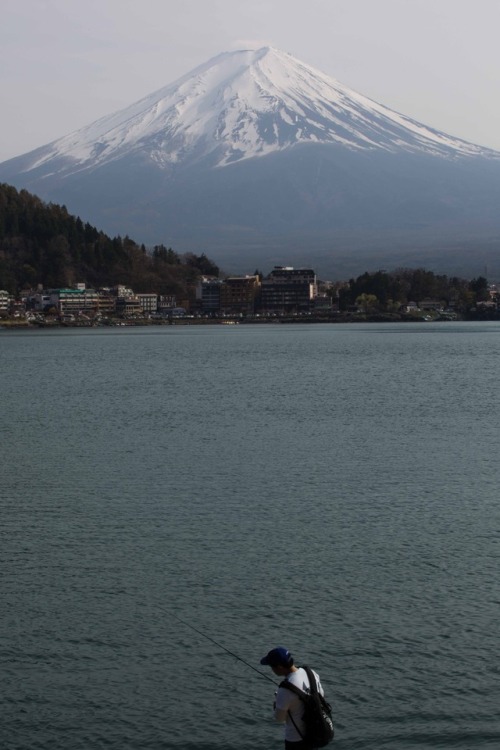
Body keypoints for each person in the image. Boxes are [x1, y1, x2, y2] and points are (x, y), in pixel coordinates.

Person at [260, 646, 324, 750]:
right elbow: (321, 695)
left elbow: (279, 719)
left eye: (271, 666)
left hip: (296, 739)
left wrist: (276, 704)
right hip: (314, 733)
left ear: (279, 667)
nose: (271, 669)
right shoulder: (311, 672)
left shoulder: (285, 690)